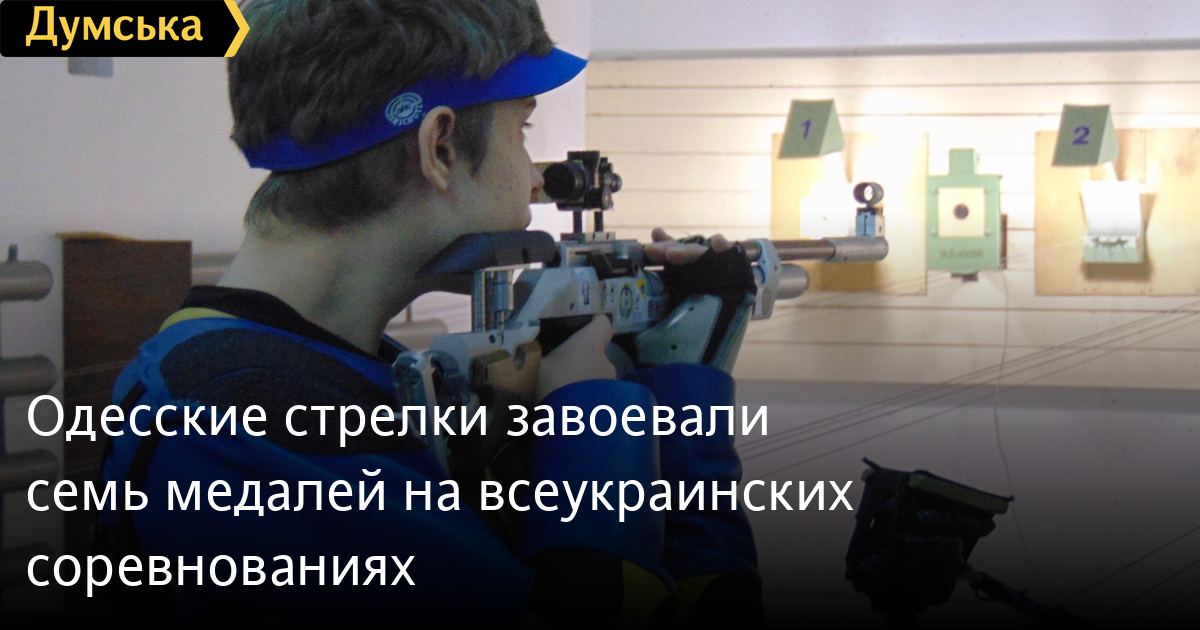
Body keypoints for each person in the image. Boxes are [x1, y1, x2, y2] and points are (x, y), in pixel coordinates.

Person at [98, 0, 762, 625]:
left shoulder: (295, 376)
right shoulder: (238, 428)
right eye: (522, 129)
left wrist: (671, 381)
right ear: (440, 146)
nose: (537, 178)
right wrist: (598, 417)